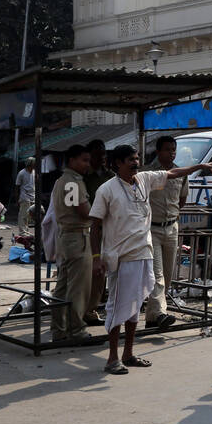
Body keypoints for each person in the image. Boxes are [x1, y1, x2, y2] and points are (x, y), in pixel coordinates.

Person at [89, 145, 212, 374]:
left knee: (134, 307)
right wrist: (96, 258)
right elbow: (95, 226)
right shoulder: (106, 190)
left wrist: (199, 166)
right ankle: (112, 358)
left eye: (137, 158)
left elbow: (172, 174)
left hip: (143, 253)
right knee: (117, 308)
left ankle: (128, 354)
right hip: (121, 257)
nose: (136, 162)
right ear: (118, 163)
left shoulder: (144, 179)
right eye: (131, 159)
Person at [144, 136, 188, 330]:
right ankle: (161, 313)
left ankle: (152, 317)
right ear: (158, 151)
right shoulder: (147, 173)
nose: (171, 153)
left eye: (174, 149)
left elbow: (182, 199)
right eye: (167, 149)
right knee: (157, 274)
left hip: (171, 227)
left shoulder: (180, 173)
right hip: (152, 228)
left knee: (168, 275)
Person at [51, 144, 94, 344]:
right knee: (78, 287)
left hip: (66, 236)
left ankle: (59, 329)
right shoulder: (73, 182)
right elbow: (85, 211)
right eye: (84, 160)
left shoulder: (62, 180)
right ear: (72, 160)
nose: (87, 164)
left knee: (62, 285)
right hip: (78, 236)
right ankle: (76, 330)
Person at [81, 140, 114, 327]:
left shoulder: (111, 176)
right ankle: (81, 309)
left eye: (103, 155)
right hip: (89, 228)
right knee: (89, 270)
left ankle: (91, 309)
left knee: (101, 272)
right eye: (97, 155)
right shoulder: (84, 178)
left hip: (107, 228)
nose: (101, 158)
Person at [15, 158, 37, 230]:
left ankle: (26, 230)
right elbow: (17, 187)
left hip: (33, 196)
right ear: (31, 164)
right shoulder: (21, 173)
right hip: (24, 197)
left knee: (29, 216)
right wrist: (17, 199)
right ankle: (22, 231)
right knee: (23, 215)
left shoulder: (34, 172)